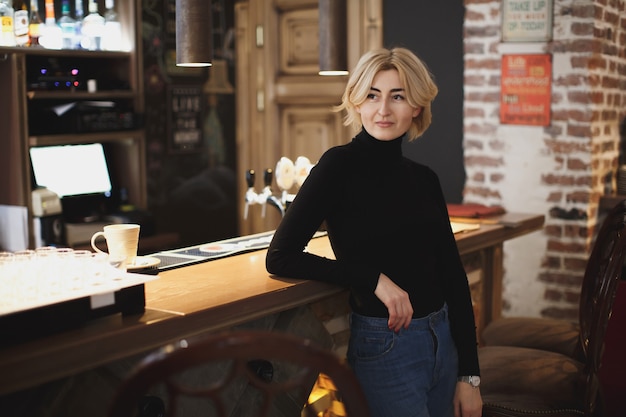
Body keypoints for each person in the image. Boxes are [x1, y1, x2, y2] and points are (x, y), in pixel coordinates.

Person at [266, 47, 483, 417]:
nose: (383, 110)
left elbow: (452, 277)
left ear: (416, 106)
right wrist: (372, 279)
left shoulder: (425, 178)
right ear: (357, 103)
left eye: (397, 96)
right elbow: (280, 256)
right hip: (386, 347)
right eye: (372, 95)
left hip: (443, 341)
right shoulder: (337, 166)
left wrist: (470, 375)